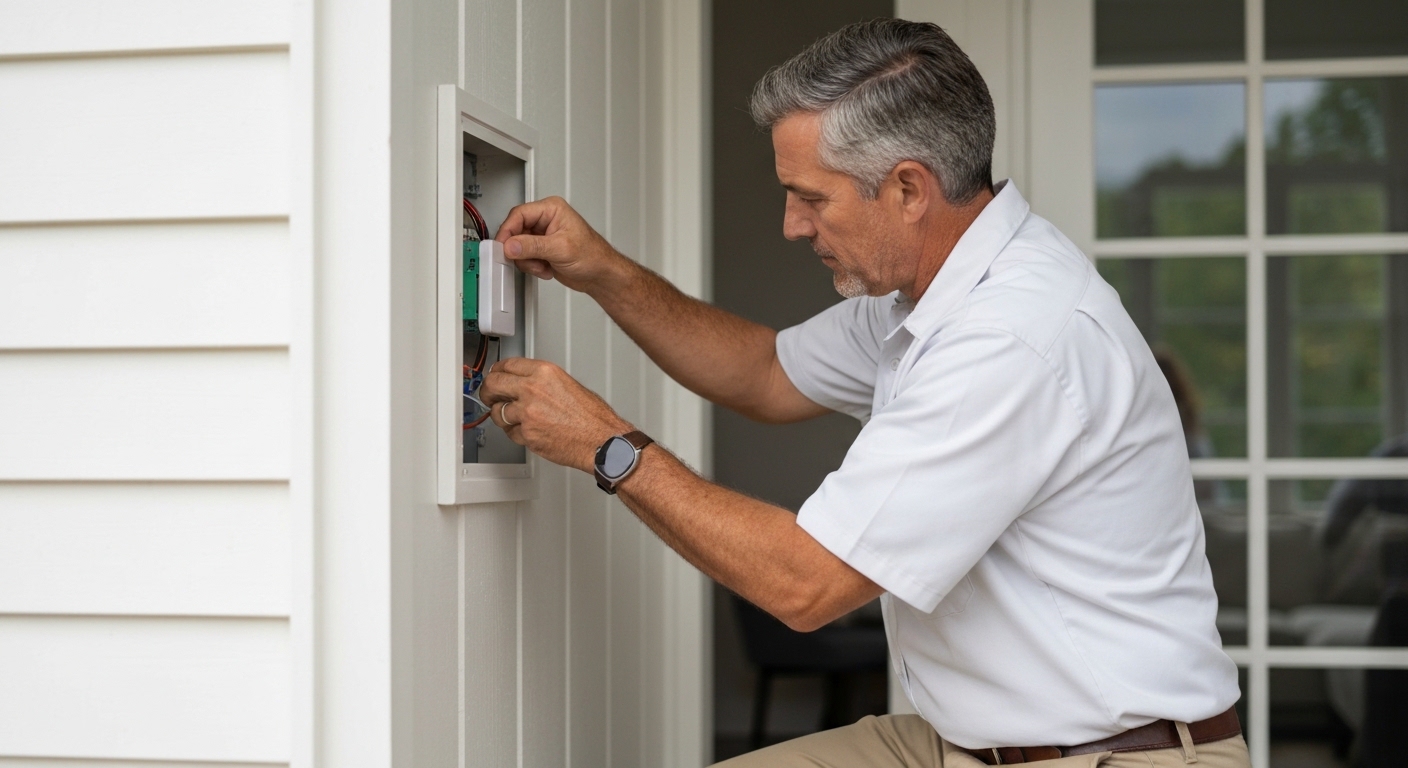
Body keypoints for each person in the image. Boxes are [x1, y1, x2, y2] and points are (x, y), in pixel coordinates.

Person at [478, 19, 1247, 768]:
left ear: (909, 188)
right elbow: (765, 374)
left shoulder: (1010, 337)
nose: (790, 225)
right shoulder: (926, 293)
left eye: (811, 197)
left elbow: (806, 585)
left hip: (1112, 754)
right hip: (960, 742)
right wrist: (605, 270)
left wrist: (605, 446)